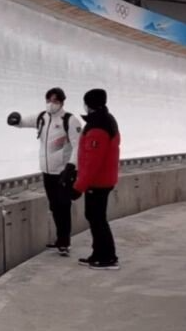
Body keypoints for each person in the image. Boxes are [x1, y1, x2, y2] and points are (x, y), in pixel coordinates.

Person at [7, 87, 82, 256]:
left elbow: (79, 146)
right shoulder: (43, 118)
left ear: (62, 102)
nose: (51, 104)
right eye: (49, 100)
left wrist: (71, 166)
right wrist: (16, 119)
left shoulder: (70, 120)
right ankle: (60, 239)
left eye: (55, 101)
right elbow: (24, 122)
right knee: (55, 206)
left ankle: (64, 241)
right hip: (48, 172)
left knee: (63, 206)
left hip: (63, 172)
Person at [72, 88, 121, 270]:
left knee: (97, 218)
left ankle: (107, 257)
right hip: (102, 179)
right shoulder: (104, 120)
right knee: (94, 216)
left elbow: (93, 160)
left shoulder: (98, 126)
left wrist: (79, 186)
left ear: (89, 104)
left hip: (98, 181)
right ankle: (99, 253)